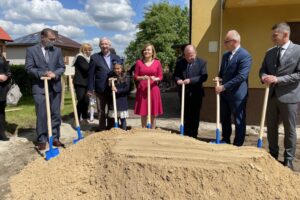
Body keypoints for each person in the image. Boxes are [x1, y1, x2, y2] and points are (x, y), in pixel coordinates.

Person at [259, 22, 300, 170]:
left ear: (286, 35)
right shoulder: (270, 52)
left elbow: (299, 74)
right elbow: (262, 70)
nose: (272, 38)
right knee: (271, 128)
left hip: (290, 97)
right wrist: (263, 76)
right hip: (271, 96)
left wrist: (278, 79)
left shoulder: (298, 50)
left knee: (289, 129)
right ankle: (273, 155)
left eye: (275, 35)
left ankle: (288, 159)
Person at [25, 28, 65, 150]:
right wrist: (42, 73)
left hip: (55, 87)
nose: (53, 41)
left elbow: (61, 67)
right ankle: (42, 139)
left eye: (54, 39)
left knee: (55, 114)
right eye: (51, 39)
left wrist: (55, 74)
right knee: (41, 114)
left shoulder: (57, 51)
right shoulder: (31, 50)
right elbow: (29, 68)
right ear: (42, 37)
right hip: (39, 87)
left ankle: (55, 137)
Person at [214, 30, 252, 146]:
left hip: (238, 95)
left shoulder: (245, 55)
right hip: (224, 93)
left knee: (238, 120)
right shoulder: (226, 55)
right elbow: (222, 72)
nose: (224, 44)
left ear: (235, 42)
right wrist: (218, 78)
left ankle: (238, 143)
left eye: (226, 41)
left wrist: (224, 86)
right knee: (225, 117)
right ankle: (225, 139)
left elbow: (241, 76)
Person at [174, 45, 208, 138]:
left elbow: (204, 77)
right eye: (187, 55)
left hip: (196, 93)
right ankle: (185, 133)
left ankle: (193, 134)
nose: (189, 57)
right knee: (185, 113)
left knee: (195, 114)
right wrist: (178, 80)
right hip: (184, 93)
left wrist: (190, 80)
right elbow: (176, 75)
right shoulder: (180, 63)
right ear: (184, 55)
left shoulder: (202, 62)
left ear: (195, 53)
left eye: (191, 55)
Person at [87, 37, 120, 131]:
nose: (104, 46)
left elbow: (120, 72)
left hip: (113, 87)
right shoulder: (95, 57)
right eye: (102, 44)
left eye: (106, 44)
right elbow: (91, 74)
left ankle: (111, 128)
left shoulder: (116, 57)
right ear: (99, 46)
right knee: (101, 110)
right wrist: (90, 88)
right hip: (100, 88)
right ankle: (102, 129)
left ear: (110, 45)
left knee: (112, 109)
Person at [134, 43, 163, 129]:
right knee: (143, 111)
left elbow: (161, 76)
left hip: (153, 88)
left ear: (152, 52)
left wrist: (156, 78)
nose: (146, 51)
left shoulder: (157, 62)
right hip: (142, 89)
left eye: (148, 50)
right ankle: (143, 128)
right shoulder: (139, 62)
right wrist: (142, 77)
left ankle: (153, 129)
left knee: (153, 111)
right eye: (145, 50)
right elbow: (135, 76)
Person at [72, 43, 93, 125]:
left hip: (87, 83)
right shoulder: (80, 57)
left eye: (90, 49)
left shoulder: (89, 58)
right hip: (80, 83)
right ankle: (76, 119)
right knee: (80, 101)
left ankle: (84, 118)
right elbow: (86, 68)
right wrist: (93, 66)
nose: (88, 51)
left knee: (86, 101)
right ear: (83, 50)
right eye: (86, 49)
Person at [108, 60, 130, 130]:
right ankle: (115, 131)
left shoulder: (126, 77)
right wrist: (110, 84)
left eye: (118, 69)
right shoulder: (111, 76)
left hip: (121, 100)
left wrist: (117, 90)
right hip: (114, 101)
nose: (116, 70)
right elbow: (108, 88)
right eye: (115, 68)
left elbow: (126, 88)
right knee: (115, 117)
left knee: (122, 118)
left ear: (122, 68)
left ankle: (124, 130)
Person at [0, 52, 11, 141]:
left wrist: (7, 76)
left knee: (1, 111)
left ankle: (1, 133)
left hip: (2, 88)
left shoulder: (1, 57)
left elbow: (8, 70)